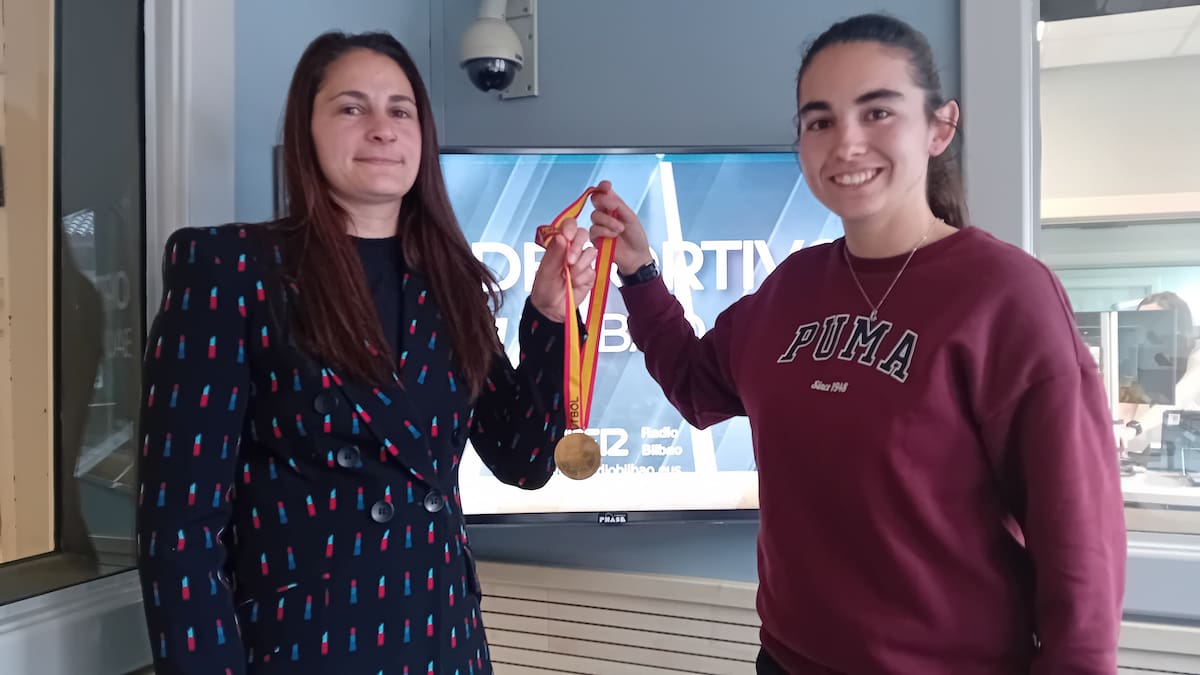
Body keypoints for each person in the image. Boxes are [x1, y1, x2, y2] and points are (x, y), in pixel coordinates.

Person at [586, 13, 1126, 675]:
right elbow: (697, 385)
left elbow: (1079, 542)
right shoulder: (791, 289)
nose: (845, 143)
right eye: (820, 120)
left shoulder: (1007, 295)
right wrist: (639, 271)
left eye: (877, 112)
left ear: (939, 127)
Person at [135, 31, 595, 675]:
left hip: (444, 647)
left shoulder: (450, 282)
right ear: (307, 131)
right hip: (309, 651)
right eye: (352, 108)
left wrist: (548, 318)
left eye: (400, 110)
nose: (382, 129)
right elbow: (178, 535)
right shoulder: (231, 270)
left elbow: (524, 460)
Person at [1118, 291, 1200, 460]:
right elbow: (1126, 407)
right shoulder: (1141, 355)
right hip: (1155, 450)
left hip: (1192, 448)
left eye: (1155, 320)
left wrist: (1133, 429)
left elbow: (1180, 396)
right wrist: (1118, 437)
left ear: (1177, 324)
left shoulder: (1196, 352)